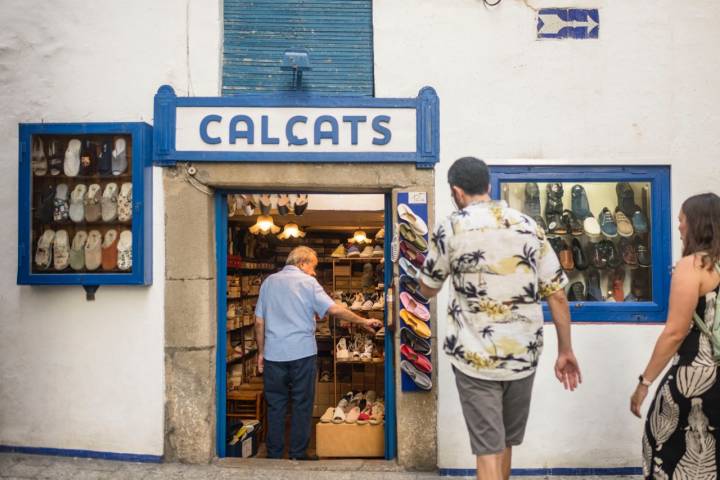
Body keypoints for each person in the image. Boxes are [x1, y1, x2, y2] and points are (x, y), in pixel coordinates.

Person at [418, 157, 582, 480]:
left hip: (475, 358)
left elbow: (428, 288)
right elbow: (558, 295)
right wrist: (566, 351)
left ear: (456, 191)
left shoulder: (451, 227)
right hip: (523, 357)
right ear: (489, 187)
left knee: (487, 452)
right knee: (504, 443)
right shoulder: (528, 226)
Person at [254, 246, 382, 460]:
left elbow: (259, 322)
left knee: (275, 405)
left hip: (274, 355)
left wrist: (261, 352)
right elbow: (334, 309)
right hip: (302, 353)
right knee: (302, 404)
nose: (314, 272)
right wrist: (363, 320)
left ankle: (274, 455)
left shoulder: (269, 282)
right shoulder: (308, 283)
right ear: (302, 262)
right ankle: (298, 453)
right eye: (312, 267)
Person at [630, 193, 720, 479]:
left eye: (681, 220)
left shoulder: (693, 266)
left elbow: (675, 332)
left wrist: (644, 383)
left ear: (696, 224)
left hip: (697, 379)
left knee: (664, 448)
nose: (679, 227)